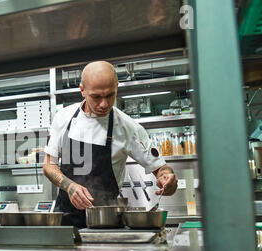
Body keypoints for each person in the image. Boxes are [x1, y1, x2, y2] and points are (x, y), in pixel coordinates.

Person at [43, 61, 178, 228]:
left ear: (117, 87)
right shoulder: (63, 117)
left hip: (106, 222)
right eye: (96, 97)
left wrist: (167, 178)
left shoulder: (128, 127)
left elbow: (161, 169)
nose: (104, 104)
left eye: (110, 95)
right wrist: (68, 186)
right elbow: (49, 165)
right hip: (65, 220)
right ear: (82, 91)